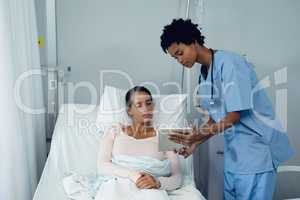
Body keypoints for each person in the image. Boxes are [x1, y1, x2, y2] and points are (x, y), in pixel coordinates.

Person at [160, 18, 294, 199]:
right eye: (175, 57)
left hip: (256, 152)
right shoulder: (204, 73)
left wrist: (199, 135)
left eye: (180, 53)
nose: (179, 60)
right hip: (235, 156)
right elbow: (215, 117)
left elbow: (233, 116)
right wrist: (195, 144)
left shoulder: (230, 63)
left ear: (193, 41)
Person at [96, 86, 204, 200]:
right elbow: (102, 165)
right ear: (129, 110)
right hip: (117, 185)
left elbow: (177, 177)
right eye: (139, 105)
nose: (146, 108)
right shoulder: (115, 130)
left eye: (149, 103)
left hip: (150, 188)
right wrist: (135, 176)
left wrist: (158, 182)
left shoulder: (165, 136)